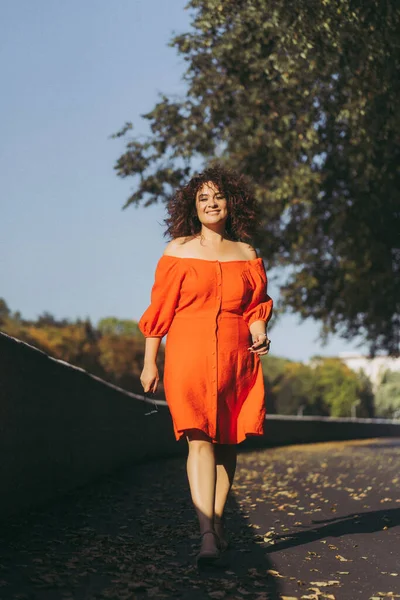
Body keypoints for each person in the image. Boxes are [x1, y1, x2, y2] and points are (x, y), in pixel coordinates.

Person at [138, 165, 273, 566]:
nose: (211, 203)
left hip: (236, 356)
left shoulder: (247, 253)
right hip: (188, 353)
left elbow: (257, 307)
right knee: (199, 439)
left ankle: (217, 519)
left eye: (218, 197)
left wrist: (260, 329)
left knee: (227, 442)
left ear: (231, 204)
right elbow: (159, 311)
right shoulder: (177, 251)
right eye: (203, 198)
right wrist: (150, 362)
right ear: (193, 208)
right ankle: (207, 534)